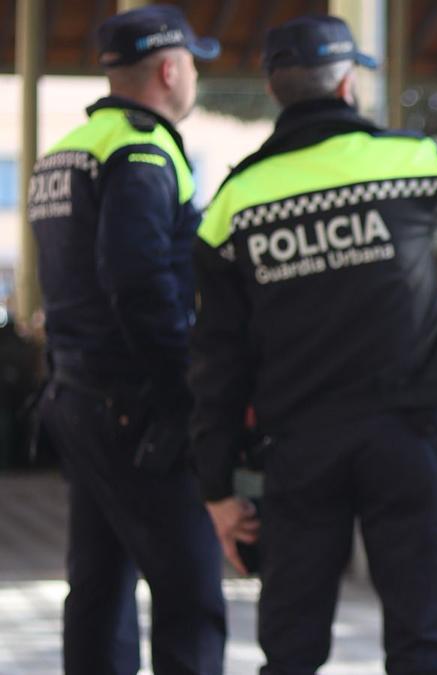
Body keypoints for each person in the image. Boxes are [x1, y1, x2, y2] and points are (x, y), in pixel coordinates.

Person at [188, 15, 437, 674]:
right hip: (404, 436)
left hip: (300, 446)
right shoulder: (402, 162)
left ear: (275, 90)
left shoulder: (233, 205)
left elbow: (218, 360)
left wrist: (216, 485)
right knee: (421, 637)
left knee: (292, 642)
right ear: (346, 85)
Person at [27, 5, 225, 674]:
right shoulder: (143, 150)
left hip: (76, 393)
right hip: (134, 402)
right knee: (190, 590)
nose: (194, 75)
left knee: (100, 586)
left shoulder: (69, 149)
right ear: (169, 70)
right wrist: (181, 392)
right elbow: (138, 280)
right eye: (192, 63)